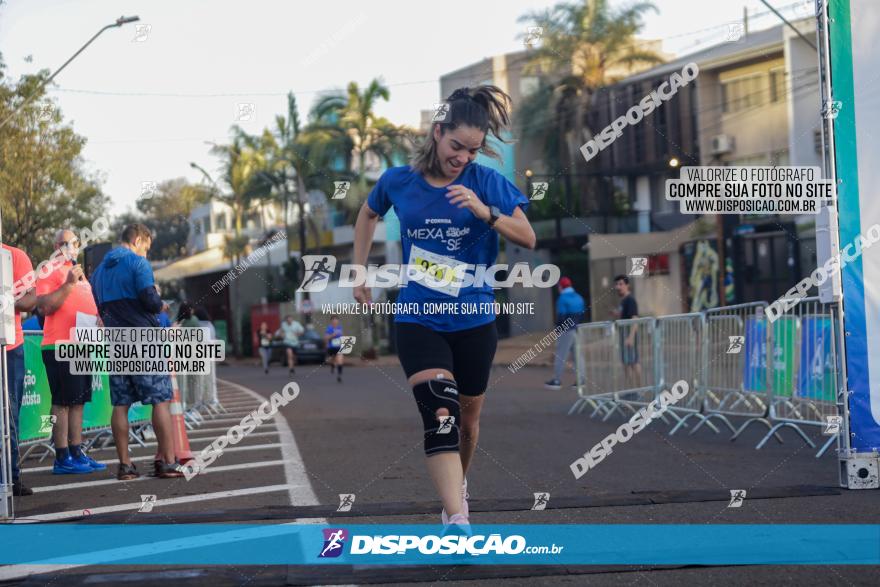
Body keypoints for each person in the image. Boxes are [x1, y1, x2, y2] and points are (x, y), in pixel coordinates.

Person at [353, 85, 536, 530]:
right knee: (440, 414)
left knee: (468, 423)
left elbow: (528, 237)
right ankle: (456, 517)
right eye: (457, 146)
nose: (464, 158)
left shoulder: (486, 182)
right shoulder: (398, 181)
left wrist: (484, 212)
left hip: (474, 319)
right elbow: (367, 215)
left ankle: (459, 488)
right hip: (418, 316)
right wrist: (358, 270)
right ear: (437, 133)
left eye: (473, 150)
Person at [90, 223, 184, 480]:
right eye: (147, 247)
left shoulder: (97, 273)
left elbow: (99, 309)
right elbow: (149, 300)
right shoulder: (138, 264)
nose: (147, 253)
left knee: (121, 404)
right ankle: (166, 462)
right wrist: (161, 304)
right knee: (160, 399)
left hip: (116, 342)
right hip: (143, 340)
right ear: (139, 239)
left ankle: (125, 466)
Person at [35, 230, 106, 475]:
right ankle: (62, 457)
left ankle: (77, 452)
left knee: (78, 401)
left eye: (74, 242)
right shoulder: (48, 270)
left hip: (82, 344)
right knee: (62, 403)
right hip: (59, 346)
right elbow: (43, 307)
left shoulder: (79, 271)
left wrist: (98, 317)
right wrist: (67, 284)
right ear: (55, 245)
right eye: (64, 242)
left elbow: (87, 304)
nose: (70, 246)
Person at [3, 243, 37, 495]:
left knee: (9, 414)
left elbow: (31, 300)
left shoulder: (14, 256)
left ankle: (10, 478)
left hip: (9, 348)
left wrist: (7, 299)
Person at [544, 276, 586, 390]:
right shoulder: (579, 297)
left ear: (561, 287)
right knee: (578, 355)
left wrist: (557, 331)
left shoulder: (562, 298)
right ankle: (581, 380)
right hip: (577, 328)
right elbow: (582, 315)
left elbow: (561, 317)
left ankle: (557, 380)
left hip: (566, 330)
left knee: (561, 355)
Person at [611, 274, 642, 386]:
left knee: (634, 362)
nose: (618, 287)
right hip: (623, 334)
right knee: (626, 362)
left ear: (627, 285)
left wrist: (631, 337)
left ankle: (639, 389)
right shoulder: (623, 301)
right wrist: (617, 314)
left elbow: (635, 319)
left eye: (621, 284)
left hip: (628, 334)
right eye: (616, 284)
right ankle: (630, 389)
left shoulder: (630, 300)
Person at [324, 315, 344, 383]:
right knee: (333, 359)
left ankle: (339, 375)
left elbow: (341, 337)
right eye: (333, 320)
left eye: (336, 320)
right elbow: (326, 338)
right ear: (331, 321)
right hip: (331, 347)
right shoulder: (329, 328)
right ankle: (332, 365)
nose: (335, 321)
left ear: (338, 321)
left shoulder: (340, 328)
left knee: (340, 360)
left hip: (339, 347)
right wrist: (332, 335)